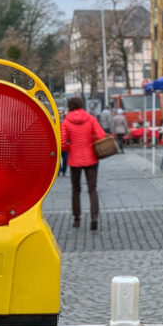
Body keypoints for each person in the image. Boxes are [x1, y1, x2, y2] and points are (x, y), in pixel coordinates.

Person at [60, 97, 106, 231]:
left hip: (74, 160)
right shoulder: (91, 119)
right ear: (81, 105)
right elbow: (101, 136)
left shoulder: (66, 122)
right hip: (91, 158)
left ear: (69, 106)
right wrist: (90, 142)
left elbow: (62, 143)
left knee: (76, 190)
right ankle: (94, 217)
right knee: (92, 189)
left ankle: (76, 219)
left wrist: (71, 148)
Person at [58, 109, 68, 176]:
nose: (59, 114)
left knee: (65, 159)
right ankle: (58, 171)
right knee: (58, 160)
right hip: (58, 144)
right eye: (58, 113)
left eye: (60, 113)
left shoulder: (66, 122)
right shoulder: (55, 121)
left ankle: (64, 171)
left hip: (65, 144)